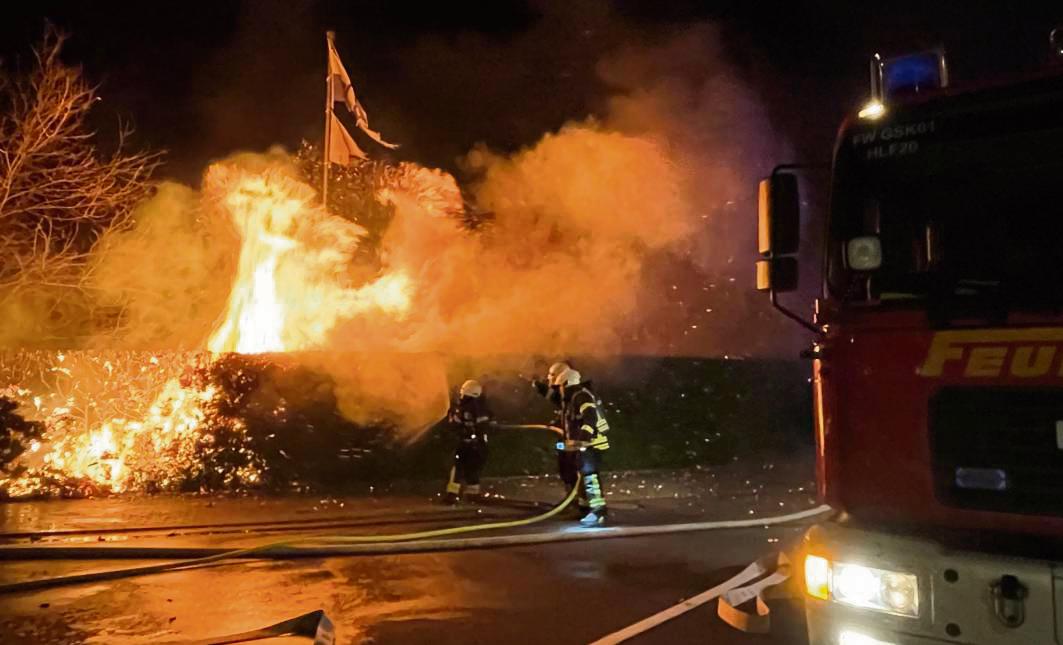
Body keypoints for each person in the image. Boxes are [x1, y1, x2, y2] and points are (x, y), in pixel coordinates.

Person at [532, 362, 580, 504]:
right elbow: (557, 402)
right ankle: (571, 498)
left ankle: (577, 499)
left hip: (576, 443)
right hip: (565, 440)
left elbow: (578, 419)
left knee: (574, 469)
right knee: (563, 463)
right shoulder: (567, 395)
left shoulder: (576, 397)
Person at [444, 379, 493, 504]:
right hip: (479, 445)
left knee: (458, 468)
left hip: (465, 444)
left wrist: (451, 417)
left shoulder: (463, 408)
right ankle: (473, 494)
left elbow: (455, 425)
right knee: (473, 469)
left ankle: (452, 494)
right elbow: (486, 425)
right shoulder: (482, 408)